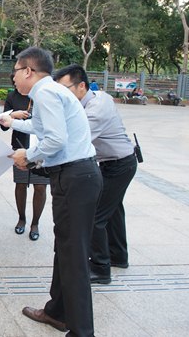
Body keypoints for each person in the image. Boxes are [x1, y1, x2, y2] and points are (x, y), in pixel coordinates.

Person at [0, 47, 102, 337]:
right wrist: (12, 122)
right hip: (77, 176)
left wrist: (27, 156)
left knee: (74, 256)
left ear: (28, 71)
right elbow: (42, 127)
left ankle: (81, 331)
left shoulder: (45, 93)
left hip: (75, 177)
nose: (13, 78)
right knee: (65, 249)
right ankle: (57, 312)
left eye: (15, 72)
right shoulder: (49, 92)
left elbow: (55, 139)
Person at [54, 64, 137, 283]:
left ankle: (100, 268)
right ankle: (119, 255)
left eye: (65, 88)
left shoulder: (96, 107)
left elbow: (76, 140)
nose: (62, 94)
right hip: (115, 163)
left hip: (119, 165)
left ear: (82, 85)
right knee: (114, 211)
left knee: (95, 216)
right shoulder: (90, 100)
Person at [2, 84, 48, 241]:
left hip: (41, 148)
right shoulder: (12, 97)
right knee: (21, 184)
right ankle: (21, 218)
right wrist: (13, 116)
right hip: (20, 145)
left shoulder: (42, 95)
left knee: (40, 187)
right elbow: (3, 125)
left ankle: (35, 223)